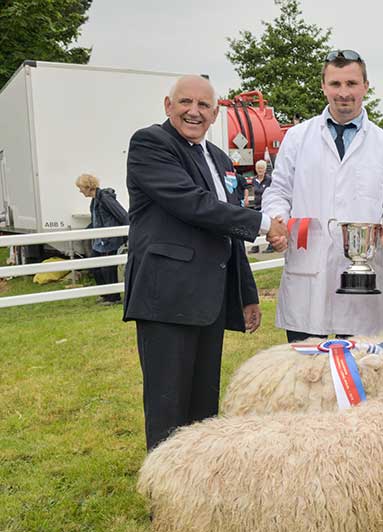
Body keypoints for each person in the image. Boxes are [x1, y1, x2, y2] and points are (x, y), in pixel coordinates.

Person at [124, 75, 287, 452]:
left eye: (203, 106)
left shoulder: (217, 157)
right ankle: (163, 499)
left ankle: (197, 492)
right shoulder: (151, 143)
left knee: (202, 410)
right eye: (185, 103)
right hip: (166, 299)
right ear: (168, 105)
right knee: (168, 410)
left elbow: (226, 228)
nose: (193, 112)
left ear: (215, 113)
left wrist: (246, 293)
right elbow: (191, 203)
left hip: (208, 303)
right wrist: (264, 223)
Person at [262, 49, 383, 343]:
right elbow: (278, 192)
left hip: (362, 277)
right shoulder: (298, 137)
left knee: (360, 374)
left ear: (365, 86)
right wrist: (278, 223)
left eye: (351, 84)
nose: (344, 93)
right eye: (336, 84)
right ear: (323, 86)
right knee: (304, 375)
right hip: (308, 270)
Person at [75, 173, 128, 304]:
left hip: (110, 240)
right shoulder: (95, 200)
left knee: (107, 269)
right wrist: (85, 233)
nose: (80, 190)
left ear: (88, 187)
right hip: (100, 241)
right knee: (94, 265)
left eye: (81, 187)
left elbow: (122, 216)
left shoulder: (105, 199)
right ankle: (105, 294)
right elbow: (96, 221)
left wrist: (126, 234)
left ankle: (114, 297)